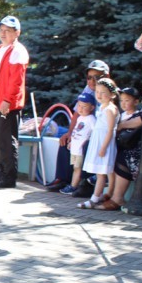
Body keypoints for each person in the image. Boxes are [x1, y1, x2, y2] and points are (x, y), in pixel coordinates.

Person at [47, 59, 111, 194]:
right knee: (66, 141)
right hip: (87, 131)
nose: (92, 81)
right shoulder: (88, 89)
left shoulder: (110, 92)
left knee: (87, 145)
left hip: (102, 135)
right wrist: (70, 133)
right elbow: (77, 112)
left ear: (106, 76)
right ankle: (62, 179)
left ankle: (85, 185)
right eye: (89, 77)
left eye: (97, 77)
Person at [0, 16, 29, 189]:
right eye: (1, 30)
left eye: (8, 30)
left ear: (17, 33)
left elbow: (16, 80)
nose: (3, 33)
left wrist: (7, 100)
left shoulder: (18, 51)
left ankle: (9, 177)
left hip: (7, 104)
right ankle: (2, 173)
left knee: (7, 141)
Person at [78, 78, 119, 209]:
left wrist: (103, 147)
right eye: (97, 92)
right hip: (98, 141)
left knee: (101, 172)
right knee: (102, 171)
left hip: (104, 143)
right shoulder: (102, 107)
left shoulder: (110, 109)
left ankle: (94, 199)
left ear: (112, 94)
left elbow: (111, 130)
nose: (99, 95)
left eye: (103, 92)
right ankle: (104, 194)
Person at [102, 87, 142, 211]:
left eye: (127, 100)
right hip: (117, 145)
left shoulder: (137, 116)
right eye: (121, 100)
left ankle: (117, 197)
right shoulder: (120, 115)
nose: (123, 103)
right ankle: (110, 191)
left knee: (121, 159)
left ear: (136, 101)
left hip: (129, 146)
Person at [59, 92, 97, 196]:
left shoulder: (91, 119)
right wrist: (71, 142)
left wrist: (88, 141)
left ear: (92, 107)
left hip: (81, 150)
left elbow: (95, 133)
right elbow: (76, 132)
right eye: (79, 105)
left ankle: (73, 186)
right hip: (75, 149)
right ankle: (74, 184)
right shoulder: (80, 118)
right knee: (75, 168)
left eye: (84, 106)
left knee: (77, 168)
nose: (80, 108)